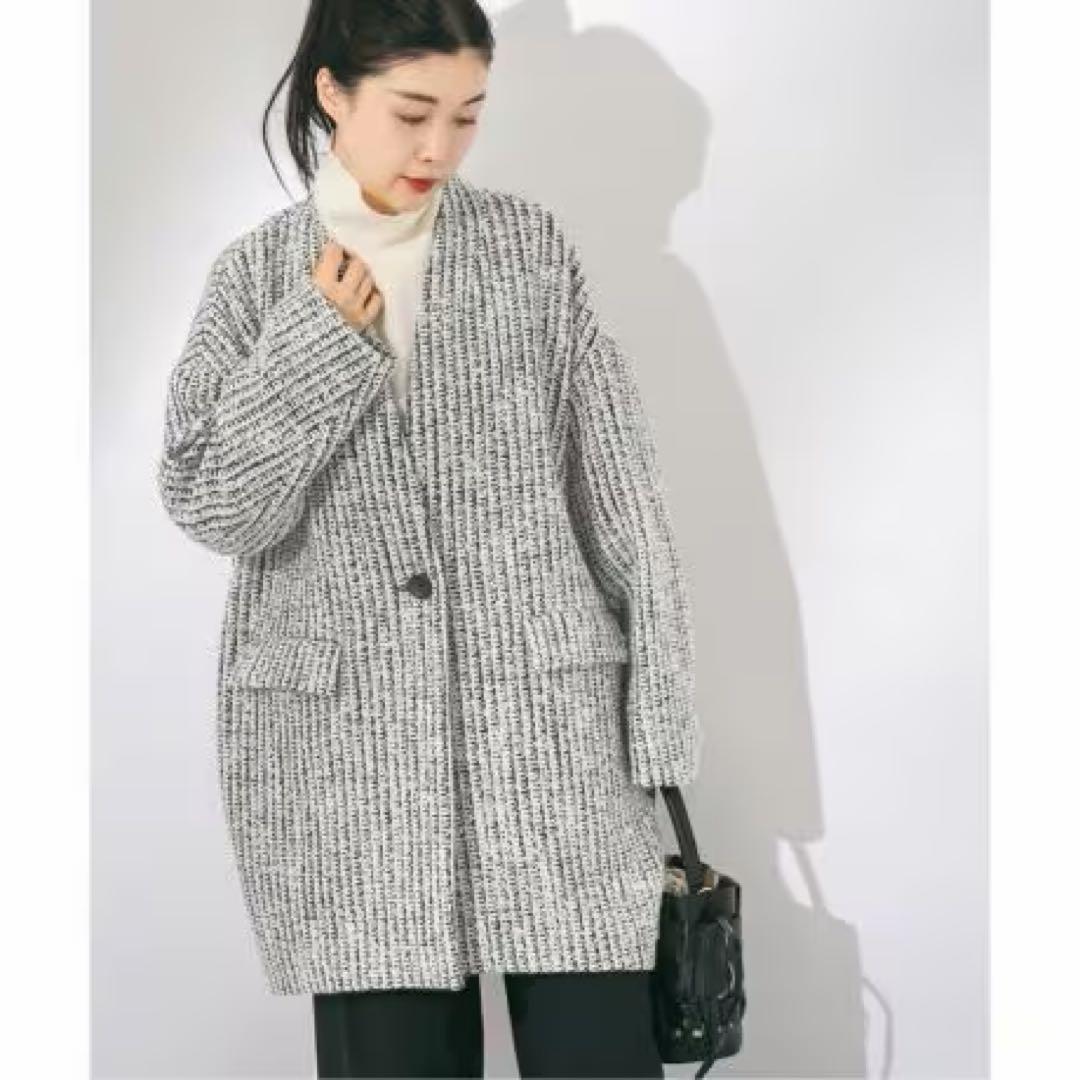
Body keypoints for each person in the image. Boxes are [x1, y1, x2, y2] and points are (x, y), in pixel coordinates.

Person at [155, 0, 702, 1075]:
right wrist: (318, 340)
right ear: (332, 93)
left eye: (467, 115)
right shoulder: (256, 279)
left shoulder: (527, 252)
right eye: (412, 113)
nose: (438, 148)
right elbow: (212, 505)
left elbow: (623, 499)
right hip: (351, 763)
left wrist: (661, 726)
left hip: (550, 745)